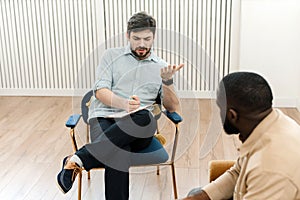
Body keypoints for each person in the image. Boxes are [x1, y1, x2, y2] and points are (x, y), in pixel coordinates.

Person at [57, 11, 183, 200]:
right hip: (104, 118)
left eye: (147, 39)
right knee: (118, 150)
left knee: (145, 117)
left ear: (154, 37)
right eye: (136, 38)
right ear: (127, 36)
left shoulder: (161, 66)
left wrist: (167, 82)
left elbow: (172, 107)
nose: (142, 44)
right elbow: (100, 91)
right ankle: (80, 159)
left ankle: (78, 158)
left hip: (140, 125)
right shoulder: (111, 56)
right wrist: (124, 104)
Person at [184, 72, 300, 200]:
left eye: (220, 108)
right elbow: (237, 173)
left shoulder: (269, 168)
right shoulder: (273, 122)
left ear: (232, 115)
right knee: (195, 193)